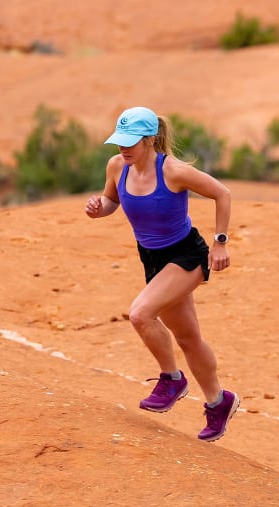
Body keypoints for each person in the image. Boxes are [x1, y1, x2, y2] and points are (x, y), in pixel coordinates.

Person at [84, 106, 239, 442]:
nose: (123, 149)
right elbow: (111, 201)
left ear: (150, 140)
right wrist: (99, 209)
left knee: (140, 313)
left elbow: (222, 194)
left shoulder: (172, 171)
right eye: (119, 142)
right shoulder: (117, 167)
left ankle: (172, 378)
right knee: (188, 338)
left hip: (186, 256)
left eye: (130, 143)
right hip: (152, 259)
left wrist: (220, 243)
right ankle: (218, 401)